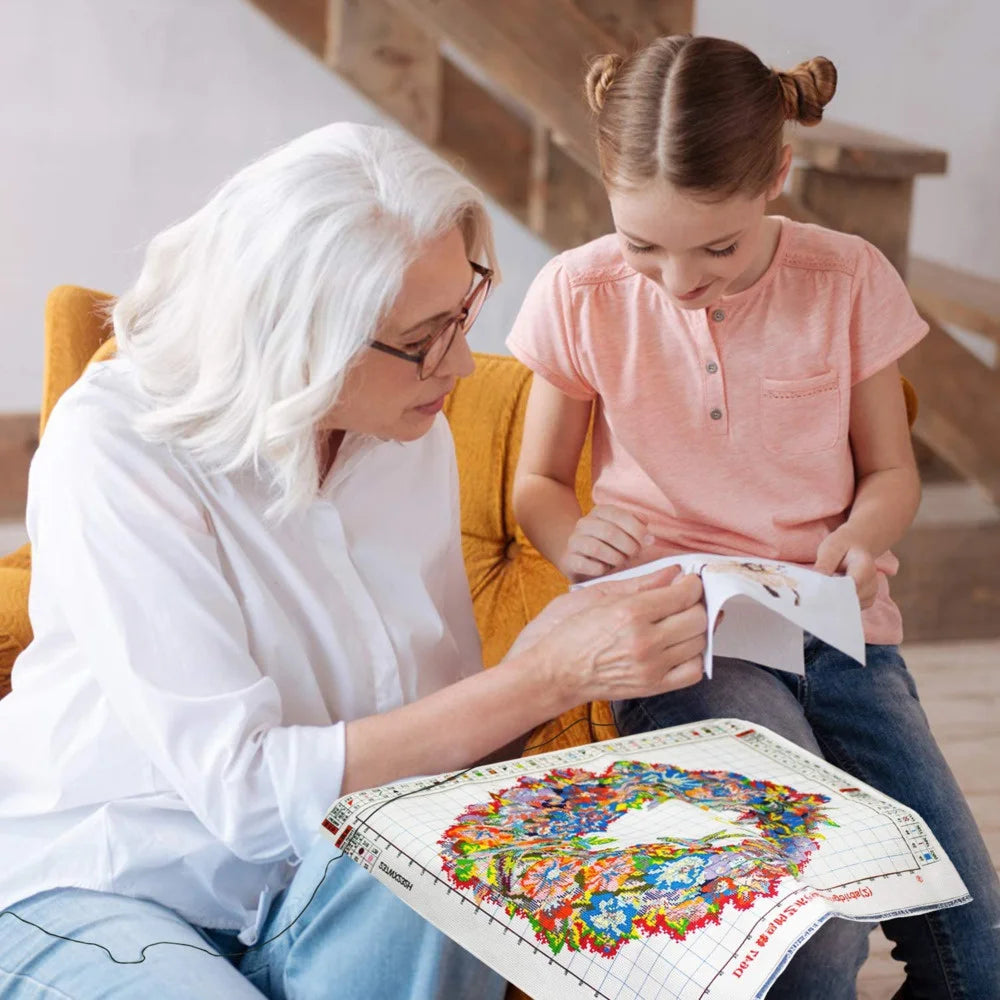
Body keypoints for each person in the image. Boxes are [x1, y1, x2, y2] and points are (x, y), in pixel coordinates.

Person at [0, 123, 710, 1000]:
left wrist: (553, 662)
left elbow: (434, 755)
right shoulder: (115, 444)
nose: (457, 362)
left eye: (463, 311)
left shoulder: (402, 427)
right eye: (422, 337)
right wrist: (541, 680)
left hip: (324, 873)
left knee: (462, 855)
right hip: (110, 881)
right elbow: (249, 794)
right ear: (300, 336)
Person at [508, 34, 999, 1000]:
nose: (681, 280)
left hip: (839, 631)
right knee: (817, 918)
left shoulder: (847, 277)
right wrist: (572, 538)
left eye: (717, 248)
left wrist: (865, 537)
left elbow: (890, 472)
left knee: (976, 951)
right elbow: (538, 484)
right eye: (644, 245)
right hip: (685, 637)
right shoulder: (580, 290)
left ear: (778, 174)